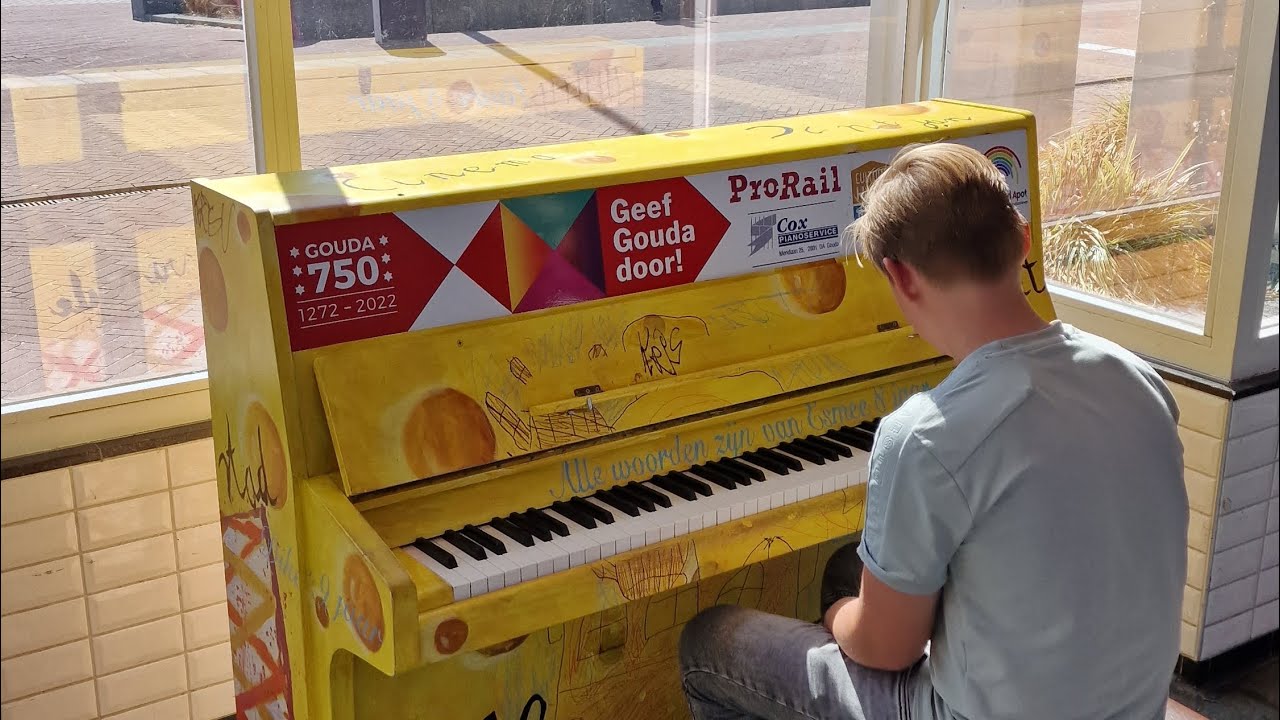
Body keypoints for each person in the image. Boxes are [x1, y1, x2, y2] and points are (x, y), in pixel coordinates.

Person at [678, 142, 1189, 720]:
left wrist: (839, 618)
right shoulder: (1138, 379)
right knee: (849, 566)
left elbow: (885, 648)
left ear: (899, 276)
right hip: (1127, 706)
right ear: (1021, 239)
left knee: (709, 641)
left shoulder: (926, 435)